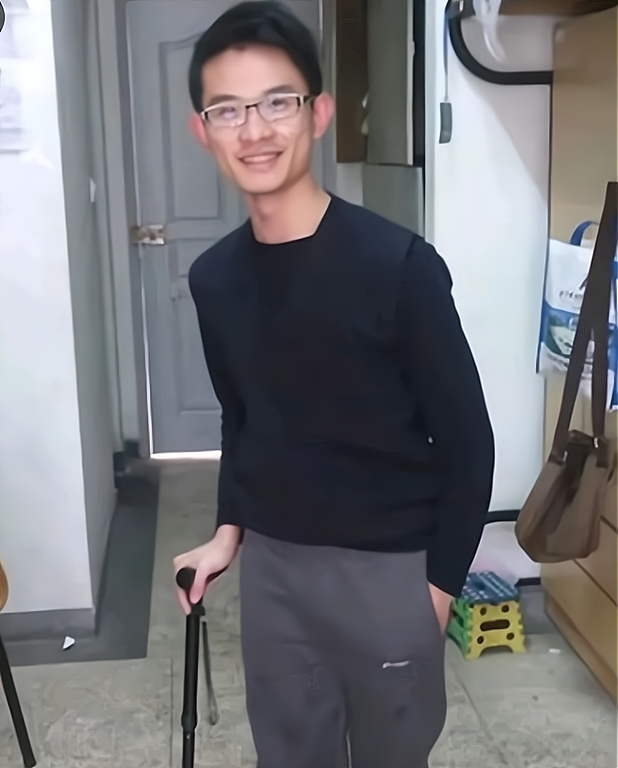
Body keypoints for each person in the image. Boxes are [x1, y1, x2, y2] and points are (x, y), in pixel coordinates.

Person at [173, 3, 495, 766]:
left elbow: (468, 445)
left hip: (389, 571)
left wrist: (435, 594)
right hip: (275, 574)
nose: (254, 130)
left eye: (276, 102)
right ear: (202, 131)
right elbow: (242, 417)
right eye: (228, 110)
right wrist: (228, 532)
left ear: (318, 114)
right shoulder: (214, 279)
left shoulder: (398, 268)